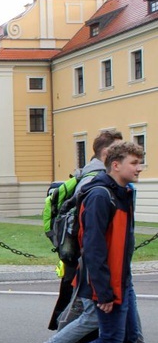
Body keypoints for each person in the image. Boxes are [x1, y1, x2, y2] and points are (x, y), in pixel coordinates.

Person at [43, 142, 155, 343]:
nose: (139, 167)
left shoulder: (122, 192)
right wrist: (103, 292)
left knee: (127, 339)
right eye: (134, 162)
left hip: (121, 279)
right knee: (111, 340)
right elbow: (93, 249)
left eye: (140, 162)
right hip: (106, 283)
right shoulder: (100, 196)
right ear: (116, 165)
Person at [47, 131, 123, 330]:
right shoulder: (95, 182)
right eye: (120, 150)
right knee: (84, 309)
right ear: (107, 154)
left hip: (87, 254)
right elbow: (91, 227)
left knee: (83, 306)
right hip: (87, 254)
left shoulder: (98, 176)